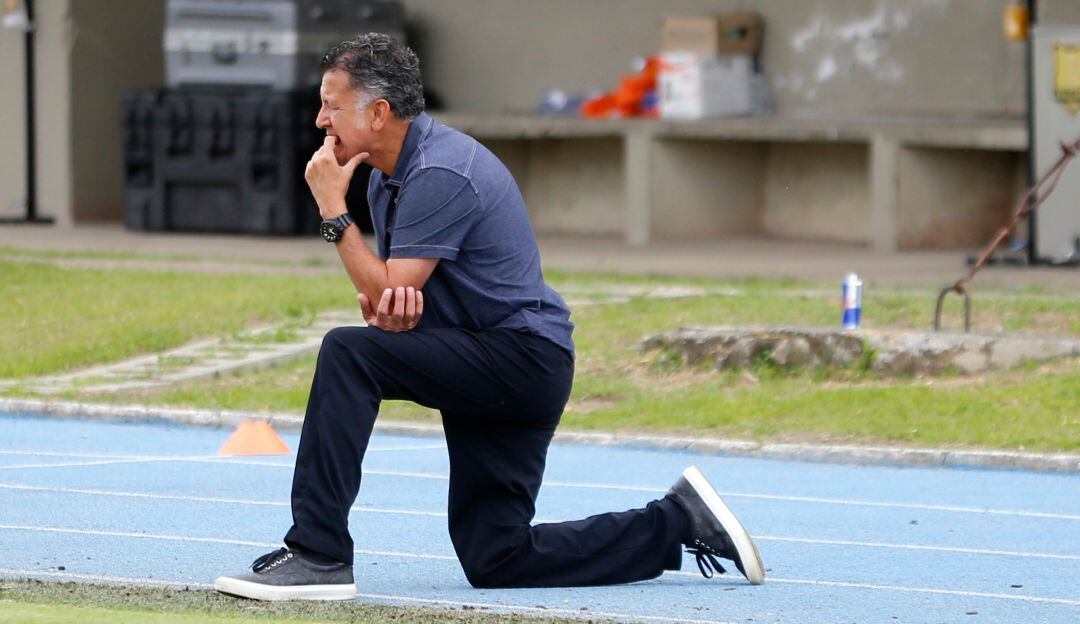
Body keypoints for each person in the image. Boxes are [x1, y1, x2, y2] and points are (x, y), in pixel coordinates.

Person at [214, 33, 765, 601]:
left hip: (522, 358)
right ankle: (676, 524)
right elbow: (389, 299)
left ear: (378, 113)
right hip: (492, 358)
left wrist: (332, 210)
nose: (319, 120)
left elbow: (389, 288)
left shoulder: (439, 172)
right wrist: (392, 309)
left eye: (331, 104)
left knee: (347, 353)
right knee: (496, 555)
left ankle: (318, 553)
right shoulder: (386, 178)